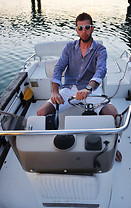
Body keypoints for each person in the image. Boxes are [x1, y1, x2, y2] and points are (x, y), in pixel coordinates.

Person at [37, 12, 122, 161]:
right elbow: (58, 68)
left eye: (87, 27)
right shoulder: (69, 47)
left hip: (92, 91)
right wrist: (55, 91)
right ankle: (49, 146)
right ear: (76, 30)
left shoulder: (100, 50)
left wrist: (88, 88)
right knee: (41, 112)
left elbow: (101, 71)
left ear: (92, 28)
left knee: (115, 116)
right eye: (80, 28)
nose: (84, 31)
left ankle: (114, 146)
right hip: (69, 89)